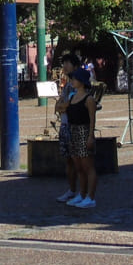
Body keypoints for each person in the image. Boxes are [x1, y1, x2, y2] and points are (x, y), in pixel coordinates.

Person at [60, 67, 98, 209]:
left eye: (75, 79)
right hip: (72, 131)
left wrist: (90, 137)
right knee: (78, 166)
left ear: (81, 81)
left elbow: (92, 120)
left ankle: (91, 196)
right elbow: (61, 108)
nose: (72, 81)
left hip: (83, 131)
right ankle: (81, 194)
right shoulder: (72, 97)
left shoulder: (89, 99)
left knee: (88, 166)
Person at [54, 53, 80, 203]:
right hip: (64, 125)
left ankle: (82, 192)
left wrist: (63, 106)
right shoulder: (67, 85)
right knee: (69, 160)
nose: (64, 66)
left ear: (75, 66)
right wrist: (62, 106)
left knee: (78, 161)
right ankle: (71, 190)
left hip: (74, 126)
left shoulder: (78, 84)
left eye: (67, 63)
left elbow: (70, 105)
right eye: (64, 63)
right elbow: (59, 106)